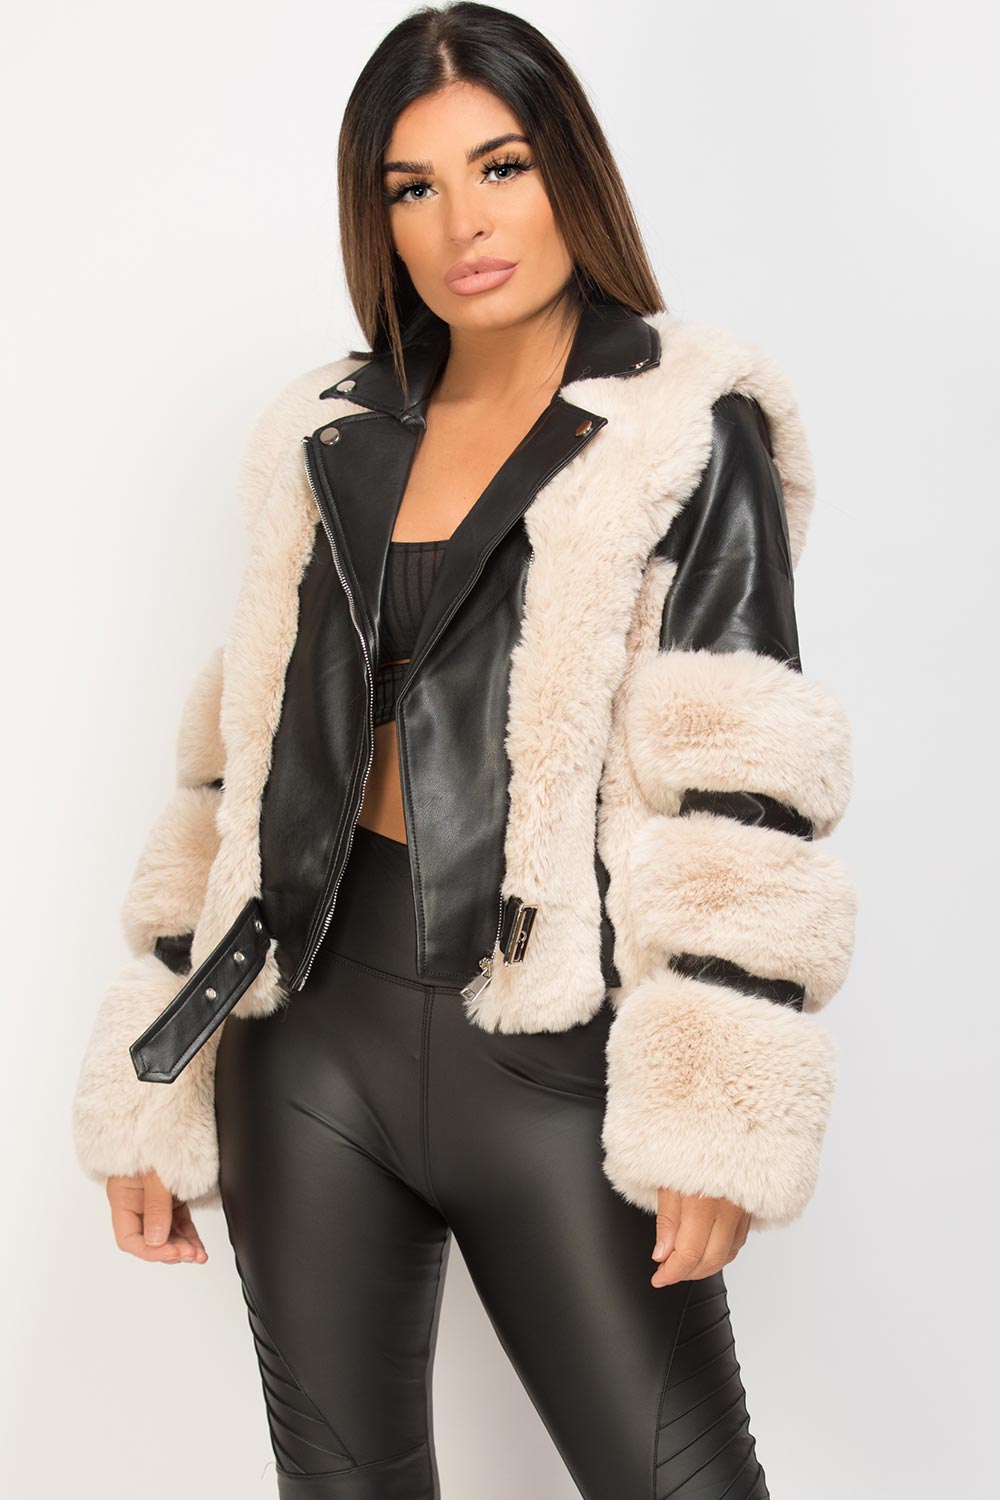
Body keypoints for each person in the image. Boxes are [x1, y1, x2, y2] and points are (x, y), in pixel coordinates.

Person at [71, 4, 857, 1496]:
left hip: (551, 1055)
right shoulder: (324, 428)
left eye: (499, 167)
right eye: (412, 187)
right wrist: (154, 1075)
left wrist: (713, 1108)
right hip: (308, 1043)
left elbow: (741, 779)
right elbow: (239, 766)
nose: (462, 224)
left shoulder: (685, 424)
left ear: (569, 168)